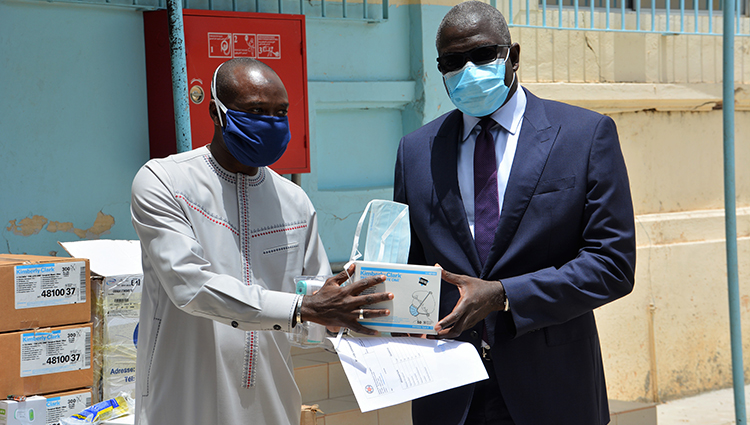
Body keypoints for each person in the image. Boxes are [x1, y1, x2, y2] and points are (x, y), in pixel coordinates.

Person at [393, 2, 636, 424]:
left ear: (514, 56)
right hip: (451, 395)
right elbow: (409, 264)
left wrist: (505, 295)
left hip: (552, 388)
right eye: (453, 61)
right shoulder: (416, 150)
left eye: (483, 55)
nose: (469, 69)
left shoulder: (584, 135)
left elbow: (611, 265)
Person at [130, 58, 392, 425]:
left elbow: (314, 306)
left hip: (271, 404)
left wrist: (347, 312)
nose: (270, 122)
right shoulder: (164, 182)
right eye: (255, 110)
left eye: (279, 112)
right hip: (184, 401)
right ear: (216, 113)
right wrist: (303, 307)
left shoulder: (293, 201)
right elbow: (191, 287)